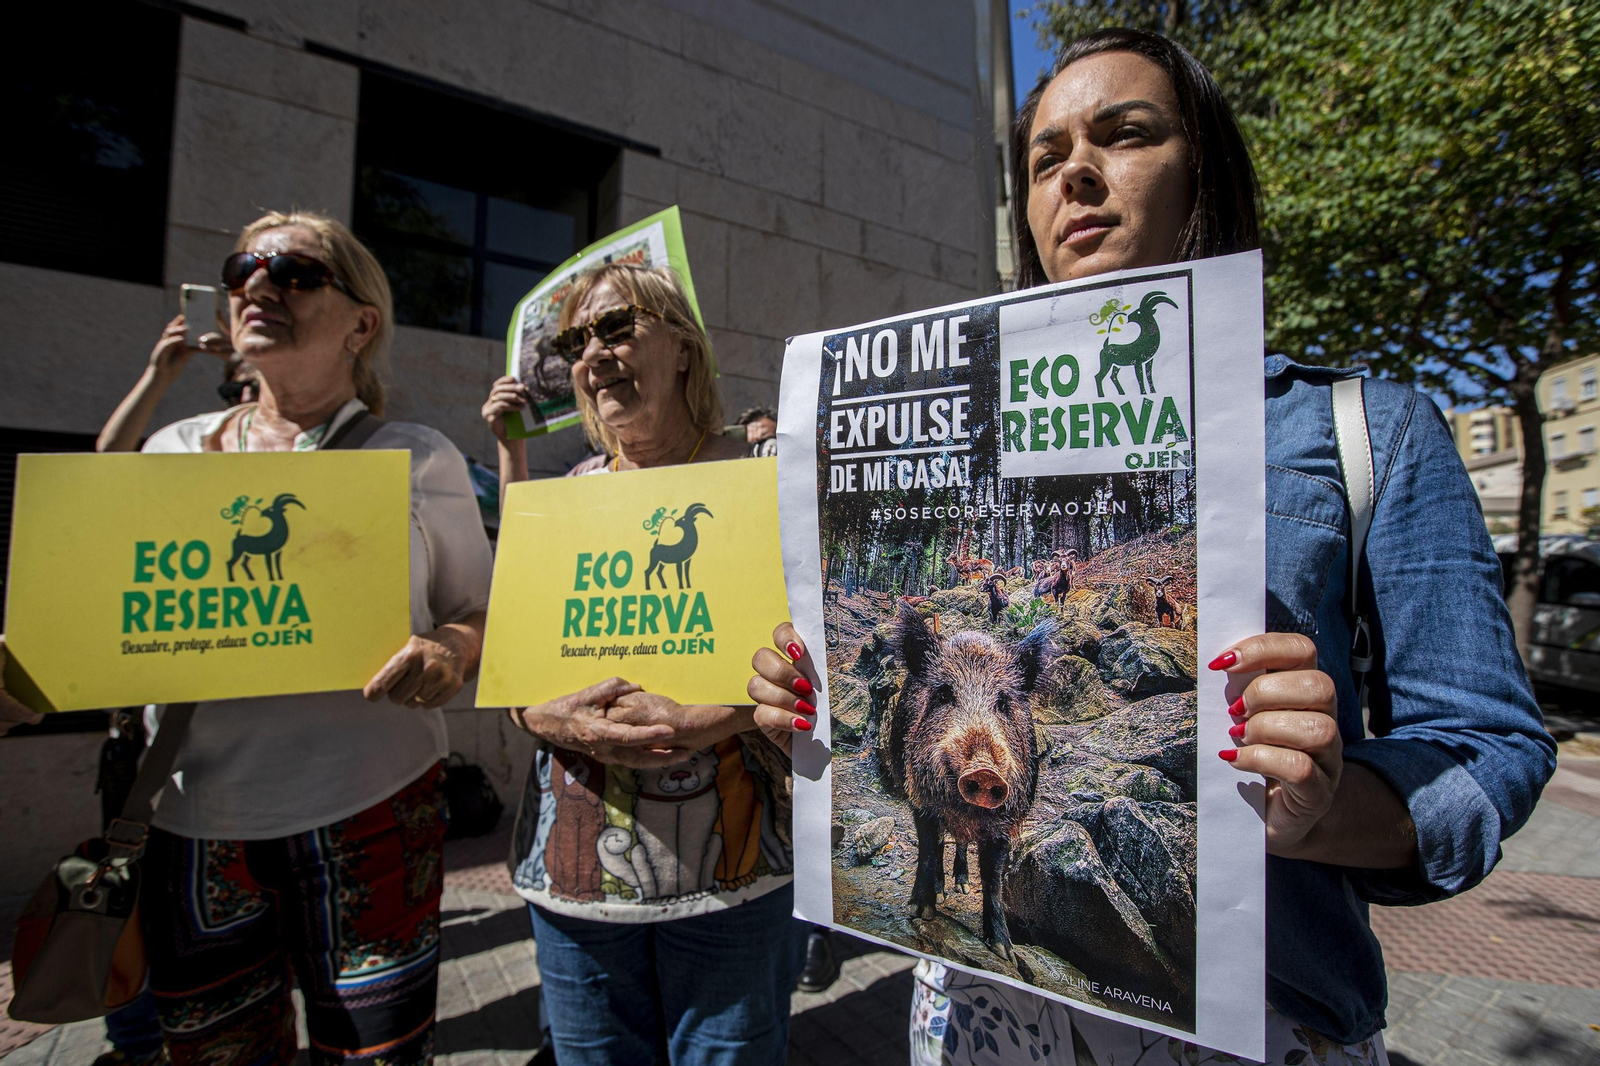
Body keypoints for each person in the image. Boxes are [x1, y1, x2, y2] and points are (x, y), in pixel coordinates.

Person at [748, 27, 1555, 1066]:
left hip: (1261, 1020)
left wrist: (1328, 811)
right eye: (1045, 157)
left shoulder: (1364, 431)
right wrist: (802, 704)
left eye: (1124, 134)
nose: (1074, 172)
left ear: (1203, 170)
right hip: (974, 1016)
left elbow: (1489, 748)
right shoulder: (967, 431)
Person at [122, 210, 490, 1066]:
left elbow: (481, 609)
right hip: (193, 816)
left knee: (377, 1055)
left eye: (293, 271)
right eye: (242, 266)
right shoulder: (172, 453)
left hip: (372, 806)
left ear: (362, 324)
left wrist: (448, 648)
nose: (258, 283)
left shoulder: (417, 456)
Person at [485, 263, 804, 1066]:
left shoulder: (763, 473)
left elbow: (830, 653)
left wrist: (715, 716)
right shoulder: (574, 489)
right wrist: (545, 716)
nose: (593, 354)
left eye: (616, 327)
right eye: (576, 342)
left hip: (735, 878)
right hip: (579, 884)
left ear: (684, 348)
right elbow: (516, 663)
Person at [96, 314, 235, 452]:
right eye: (234, 390)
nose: (244, 395)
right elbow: (112, 452)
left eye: (249, 386)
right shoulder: (195, 434)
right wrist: (159, 374)